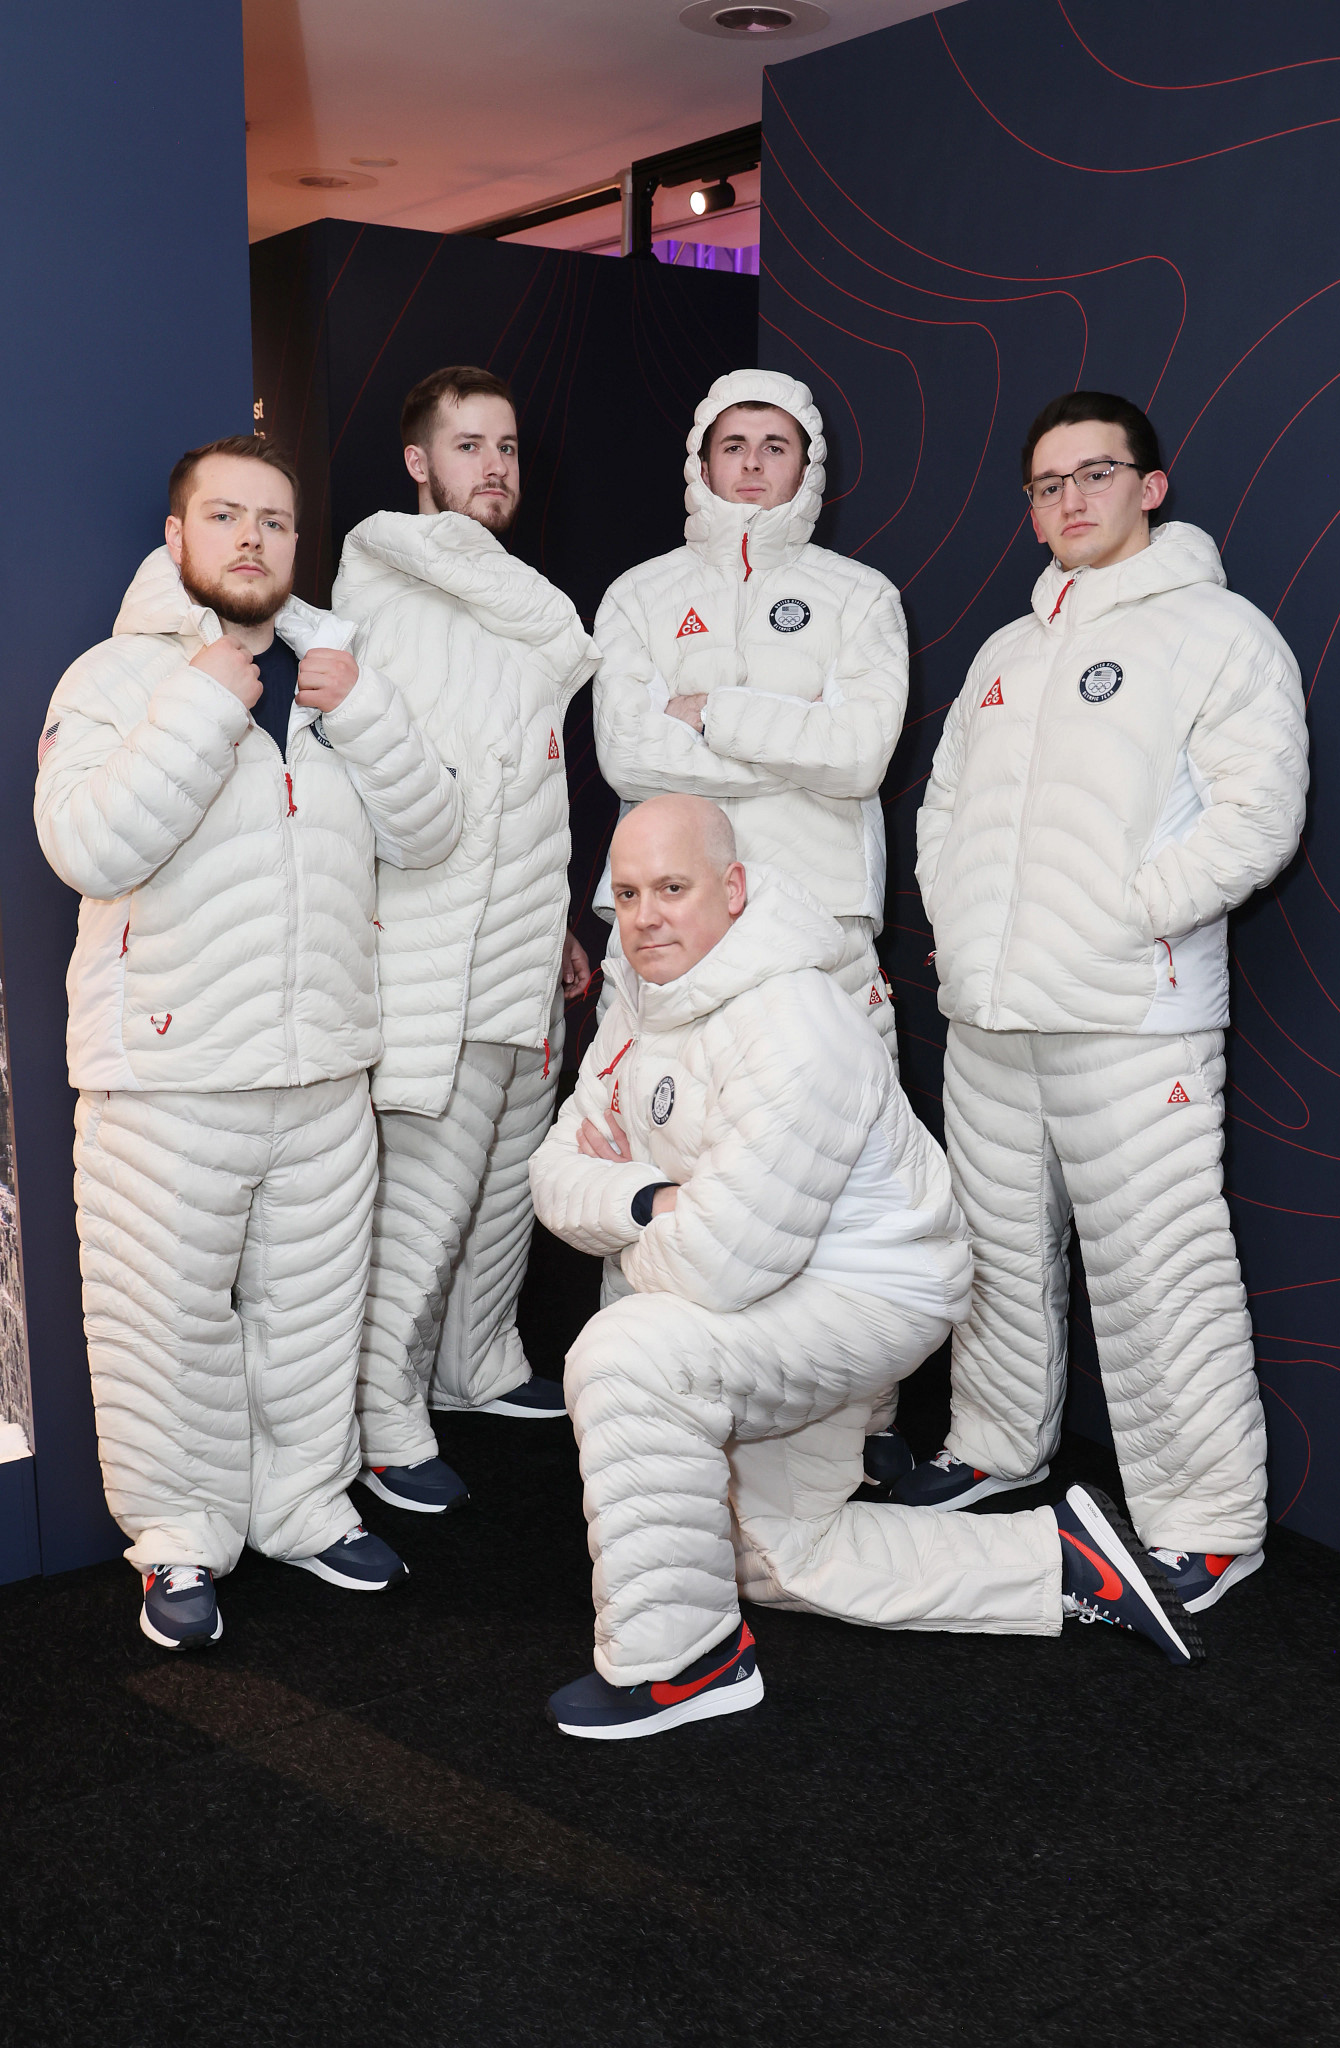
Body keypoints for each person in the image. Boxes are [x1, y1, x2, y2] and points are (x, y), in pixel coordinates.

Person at [528, 795, 1202, 1740]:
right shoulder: (641, 996)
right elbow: (553, 1173)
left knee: (627, 1355)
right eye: (628, 893)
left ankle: (686, 1666)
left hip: (866, 1298)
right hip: (768, 1285)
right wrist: (650, 1200)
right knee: (770, 1555)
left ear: (732, 890)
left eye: (671, 889)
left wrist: (643, 1196)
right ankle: (1057, 1560)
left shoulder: (795, 1021)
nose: (643, 917)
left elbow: (716, 1268)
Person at [34, 435, 460, 1649]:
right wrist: (199, 705)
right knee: (163, 1323)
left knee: (315, 1311)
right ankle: (176, 1536)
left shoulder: (340, 669)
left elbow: (430, 833)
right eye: (225, 517)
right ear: (178, 538)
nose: (253, 540)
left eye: (274, 520)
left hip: (324, 1065)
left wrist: (366, 713)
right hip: (164, 1075)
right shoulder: (114, 679)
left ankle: (307, 1506)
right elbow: (90, 848)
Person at [899, 391, 1309, 1615]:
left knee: (1163, 1271)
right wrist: (965, 924)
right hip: (991, 1019)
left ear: (1152, 484)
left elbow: (1258, 816)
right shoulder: (1007, 652)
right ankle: (994, 1442)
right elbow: (940, 808)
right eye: (1047, 483)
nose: (1070, 499)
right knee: (995, 1250)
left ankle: (1211, 1526)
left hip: (1136, 1019)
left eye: (1094, 473)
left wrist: (1125, 913)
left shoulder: (1222, 634)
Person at [591, 367, 913, 1489]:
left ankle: (854, 1432)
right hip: (668, 936)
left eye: (777, 444)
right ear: (701, 457)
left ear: (806, 464)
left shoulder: (858, 594)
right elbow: (628, 752)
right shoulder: (638, 593)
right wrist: (795, 741)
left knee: (833, 1182)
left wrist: (714, 710)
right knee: (658, 1157)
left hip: (821, 932)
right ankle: (656, 1414)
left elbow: (862, 750)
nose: (754, 463)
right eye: (734, 442)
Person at [330, 365, 598, 1515]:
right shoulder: (391, 587)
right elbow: (416, 791)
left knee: (499, 1192)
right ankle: (385, 1415)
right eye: (470, 445)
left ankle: (475, 1362)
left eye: (508, 446)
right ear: (419, 462)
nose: (494, 466)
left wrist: (558, 927)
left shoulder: (507, 591)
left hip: (522, 944)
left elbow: (529, 783)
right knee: (425, 1200)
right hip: (440, 948)